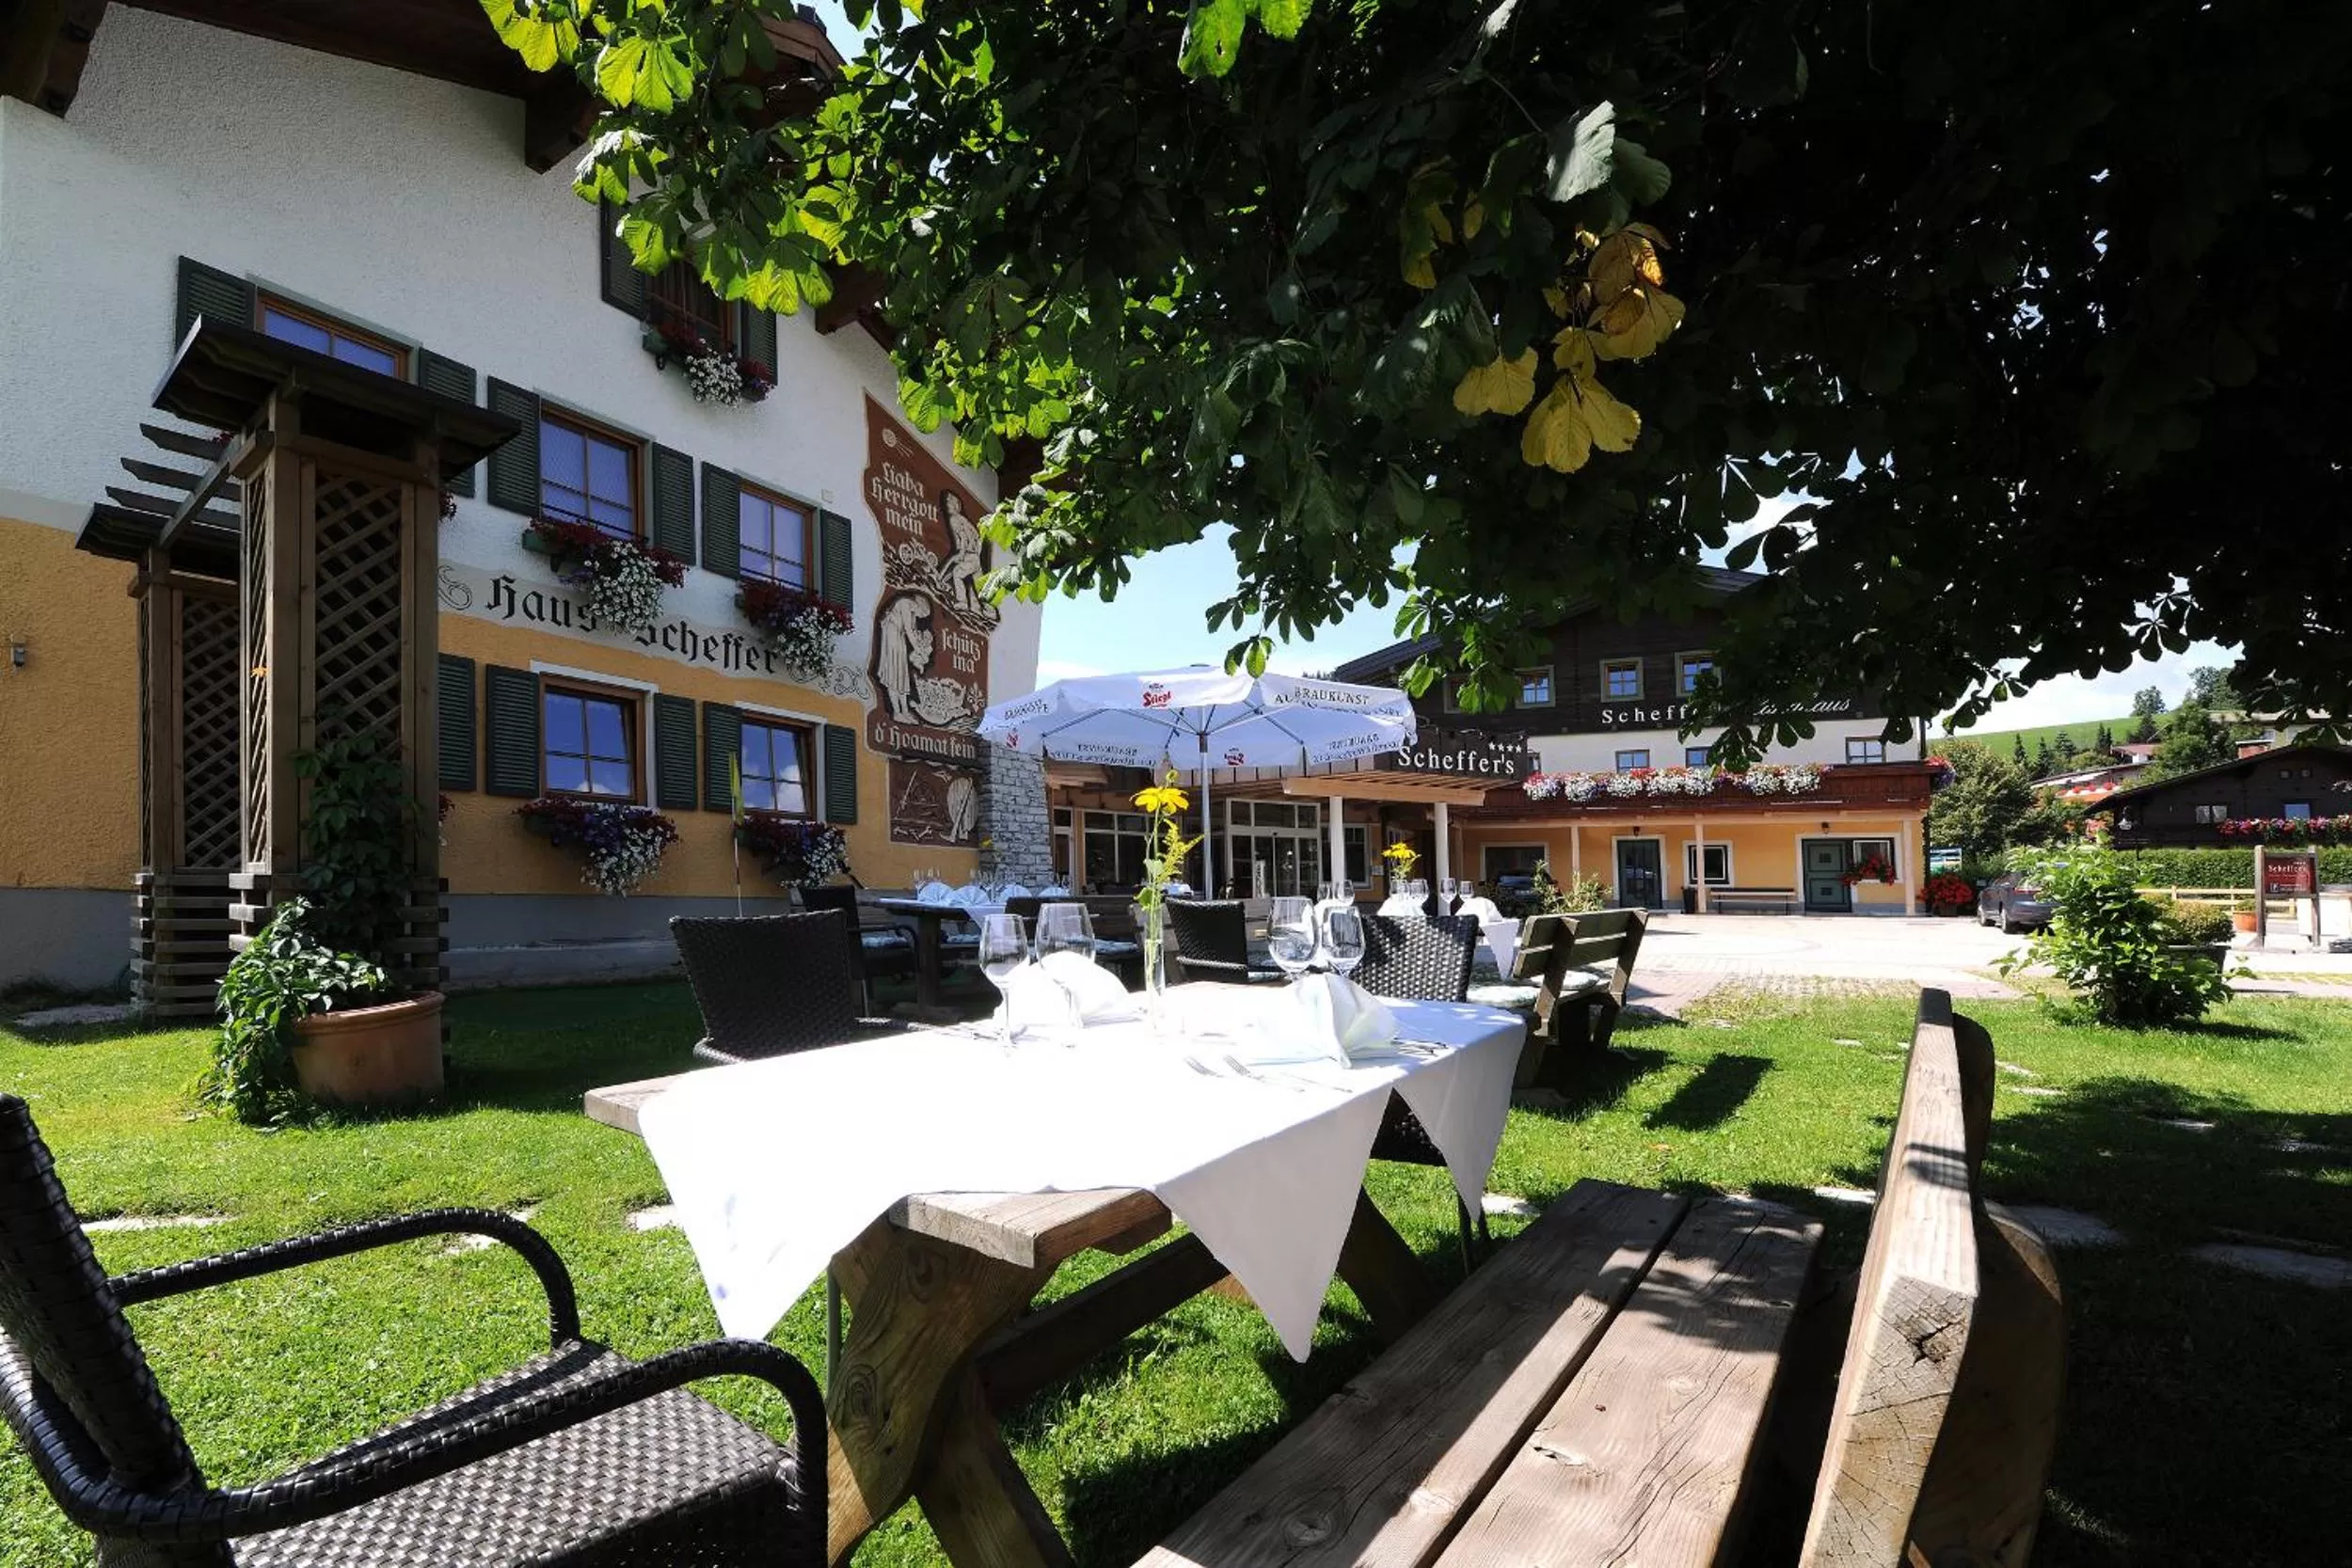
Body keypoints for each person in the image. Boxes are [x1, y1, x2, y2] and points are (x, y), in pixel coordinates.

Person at [874, 593, 934, 722]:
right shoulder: (905, 604)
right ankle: (897, 712)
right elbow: (908, 629)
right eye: (921, 614)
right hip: (892, 635)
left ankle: (905, 711)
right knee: (893, 674)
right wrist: (919, 650)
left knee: (901, 675)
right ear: (919, 607)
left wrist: (921, 647)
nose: (920, 617)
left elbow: (913, 632)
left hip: (899, 638)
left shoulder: (912, 613)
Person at [938, 491, 984, 612]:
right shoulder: (964, 520)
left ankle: (962, 602)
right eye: (946, 504)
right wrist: (977, 554)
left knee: (957, 572)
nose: (947, 507)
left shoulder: (954, 519)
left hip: (968, 554)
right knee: (978, 586)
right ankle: (984, 609)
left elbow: (962, 537)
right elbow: (978, 537)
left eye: (949, 504)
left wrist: (962, 553)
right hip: (975, 558)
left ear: (955, 506)